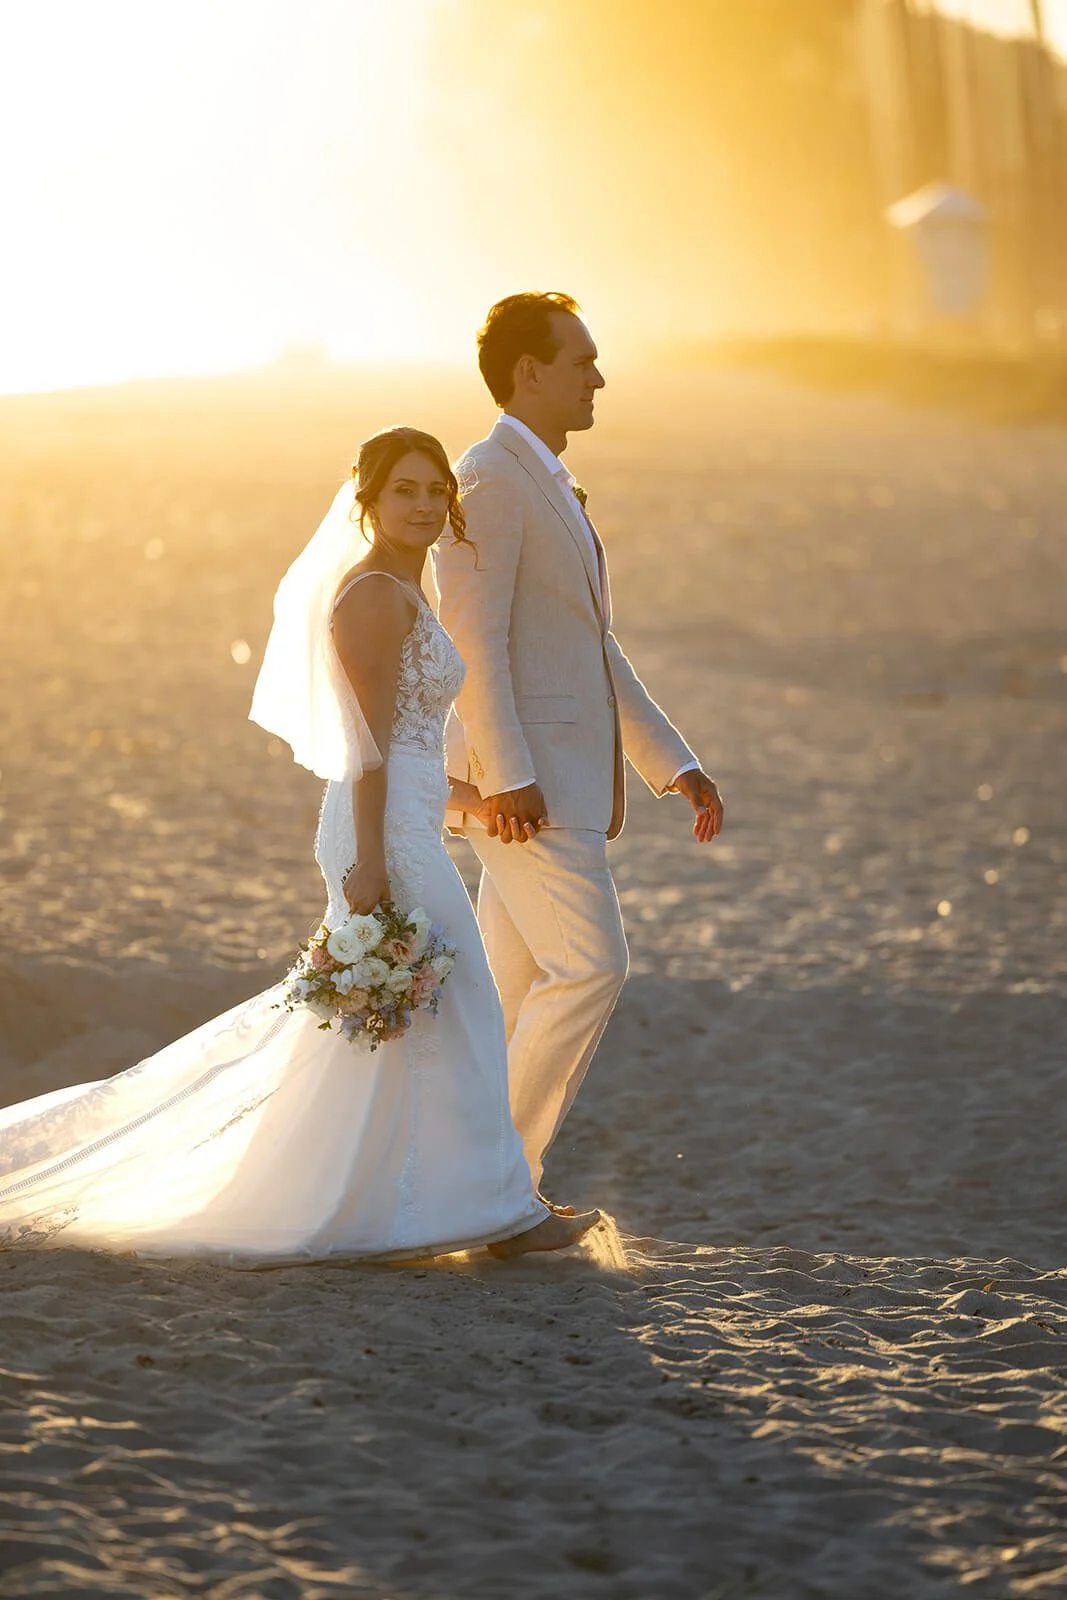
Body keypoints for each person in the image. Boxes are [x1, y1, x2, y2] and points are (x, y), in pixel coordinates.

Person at [0, 427, 598, 1265]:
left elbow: (411, 741)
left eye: (436, 492)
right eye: (406, 492)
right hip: (378, 830)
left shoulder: (405, 585)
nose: (425, 506)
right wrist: (373, 863)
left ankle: (445, 1205)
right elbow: (367, 749)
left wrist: (467, 799)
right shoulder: (371, 598)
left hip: (406, 817)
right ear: (370, 500)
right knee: (457, 1007)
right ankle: (505, 1215)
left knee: (401, 1023)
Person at [435, 292, 724, 1204]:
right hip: (526, 793)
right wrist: (508, 778)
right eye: (581, 360)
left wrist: (671, 760)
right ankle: (497, 1185)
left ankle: (465, 1185)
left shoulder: (547, 479)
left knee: (514, 999)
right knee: (593, 966)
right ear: (529, 372)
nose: (598, 377)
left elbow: (589, 649)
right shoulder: (488, 476)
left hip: (556, 784)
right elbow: (471, 646)